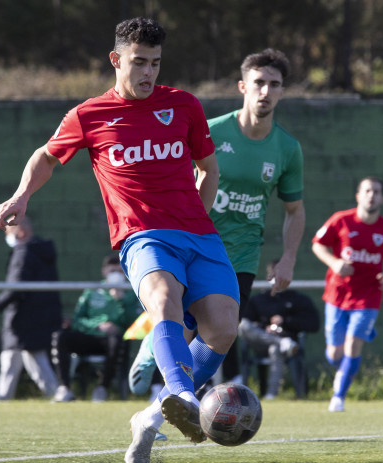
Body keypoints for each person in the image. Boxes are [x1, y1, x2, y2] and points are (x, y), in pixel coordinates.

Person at [0, 17, 239, 463]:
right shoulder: (89, 114)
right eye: (139, 62)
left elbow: (208, 169)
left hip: (199, 234)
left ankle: (154, 415)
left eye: (156, 64)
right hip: (142, 235)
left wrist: (199, 215)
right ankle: (184, 395)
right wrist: (21, 195)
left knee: (222, 326)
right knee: (164, 299)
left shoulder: (183, 105)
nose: (148, 73)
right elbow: (46, 156)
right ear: (116, 59)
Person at [128, 48, 306, 394]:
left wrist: (288, 258)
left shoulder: (287, 148)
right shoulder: (212, 131)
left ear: (282, 91)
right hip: (195, 245)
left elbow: (294, 210)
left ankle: (163, 406)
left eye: (274, 84)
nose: (266, 91)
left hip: (240, 257)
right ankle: (158, 372)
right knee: (185, 326)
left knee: (216, 335)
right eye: (259, 83)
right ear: (243, 86)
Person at [311, 176, 383, 412]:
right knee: (335, 354)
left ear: (382, 198)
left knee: (353, 345)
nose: (371, 195)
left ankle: (338, 396)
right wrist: (334, 262)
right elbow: (318, 244)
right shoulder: (341, 220)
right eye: (367, 190)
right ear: (358, 195)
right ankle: (344, 368)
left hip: (368, 296)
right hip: (337, 295)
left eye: (376, 191)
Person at [0, 217, 62, 400]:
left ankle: (3, 400)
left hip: (22, 319)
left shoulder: (23, 252)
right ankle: (57, 395)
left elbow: (16, 287)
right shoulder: (42, 252)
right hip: (39, 317)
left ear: (20, 232)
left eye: (9, 232)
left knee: (13, 358)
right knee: (31, 358)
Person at [51, 255, 142, 403]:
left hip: (113, 341)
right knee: (61, 336)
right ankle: (64, 388)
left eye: (120, 271)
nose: (116, 274)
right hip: (89, 337)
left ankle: (102, 388)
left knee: (116, 338)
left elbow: (132, 323)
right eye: (112, 270)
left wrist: (121, 301)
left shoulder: (130, 293)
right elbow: (77, 320)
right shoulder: (92, 291)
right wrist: (97, 325)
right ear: (104, 271)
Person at [238, 259, 320, 399]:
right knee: (243, 325)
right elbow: (248, 321)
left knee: (275, 349)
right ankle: (280, 342)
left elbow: (313, 324)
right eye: (274, 274)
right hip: (261, 342)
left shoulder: (298, 299)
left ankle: (271, 394)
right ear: (268, 276)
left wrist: (286, 321)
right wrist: (265, 327)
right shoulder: (258, 299)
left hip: (287, 344)